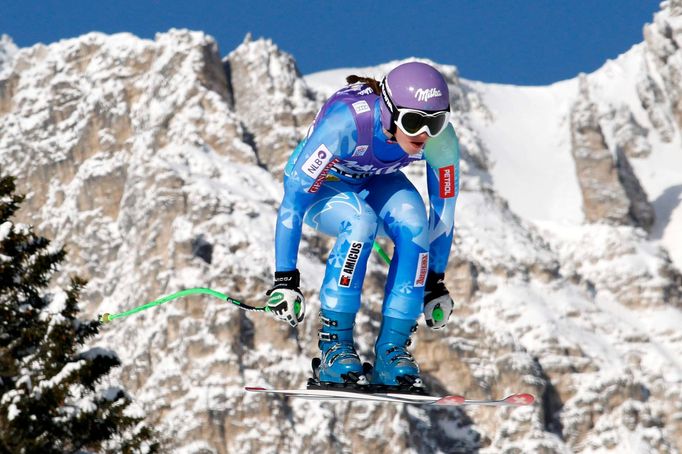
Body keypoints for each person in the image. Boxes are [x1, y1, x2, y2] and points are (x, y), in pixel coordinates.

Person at [266, 61, 460, 391]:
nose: (424, 134)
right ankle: (334, 350)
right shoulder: (347, 123)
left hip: (375, 179)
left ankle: (392, 354)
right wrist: (285, 278)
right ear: (389, 112)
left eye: (436, 122)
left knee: (415, 226)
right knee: (360, 222)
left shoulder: (440, 142)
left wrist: (435, 281)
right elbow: (294, 200)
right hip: (322, 185)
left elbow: (443, 212)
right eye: (413, 122)